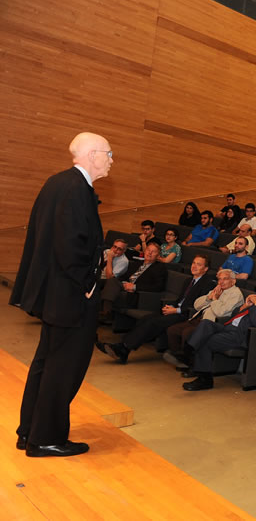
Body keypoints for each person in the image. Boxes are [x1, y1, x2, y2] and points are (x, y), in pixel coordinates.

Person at [11, 132, 109, 457]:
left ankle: (30, 430)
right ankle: (47, 438)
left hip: (55, 294)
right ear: (92, 155)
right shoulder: (76, 189)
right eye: (108, 153)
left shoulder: (57, 183)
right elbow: (70, 246)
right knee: (64, 369)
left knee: (46, 363)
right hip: (71, 297)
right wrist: (88, 285)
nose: (111, 160)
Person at [95, 255, 215, 364]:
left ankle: (123, 348)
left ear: (205, 269)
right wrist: (171, 306)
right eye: (193, 263)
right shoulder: (188, 280)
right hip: (176, 310)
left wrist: (176, 310)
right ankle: (124, 349)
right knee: (146, 318)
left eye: (199, 264)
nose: (194, 266)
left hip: (187, 315)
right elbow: (180, 299)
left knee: (153, 322)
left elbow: (198, 306)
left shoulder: (207, 283)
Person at [182, 277, 256, 391]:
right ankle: (189, 348)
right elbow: (234, 314)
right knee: (206, 323)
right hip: (228, 327)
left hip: (240, 335)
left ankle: (204, 379)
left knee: (206, 340)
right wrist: (245, 306)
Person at [100, 242, 167, 320]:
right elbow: (124, 277)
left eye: (153, 251)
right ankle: (99, 310)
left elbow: (158, 287)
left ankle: (106, 313)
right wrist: (124, 283)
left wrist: (135, 287)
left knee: (111, 282)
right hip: (125, 286)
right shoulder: (137, 263)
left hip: (137, 293)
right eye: (148, 250)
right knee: (106, 281)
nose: (150, 253)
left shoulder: (160, 268)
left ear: (158, 256)